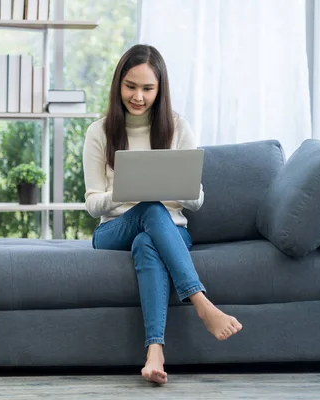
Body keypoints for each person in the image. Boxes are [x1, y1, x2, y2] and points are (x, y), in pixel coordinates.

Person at [82, 44, 243, 385]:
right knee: (150, 209)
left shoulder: (177, 127)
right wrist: (127, 192)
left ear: (160, 89)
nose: (138, 96)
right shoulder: (99, 131)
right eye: (130, 86)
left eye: (147, 88)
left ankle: (155, 350)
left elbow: (196, 200)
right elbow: (93, 203)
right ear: (118, 85)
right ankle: (201, 303)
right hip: (113, 229)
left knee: (148, 241)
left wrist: (165, 186)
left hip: (170, 230)